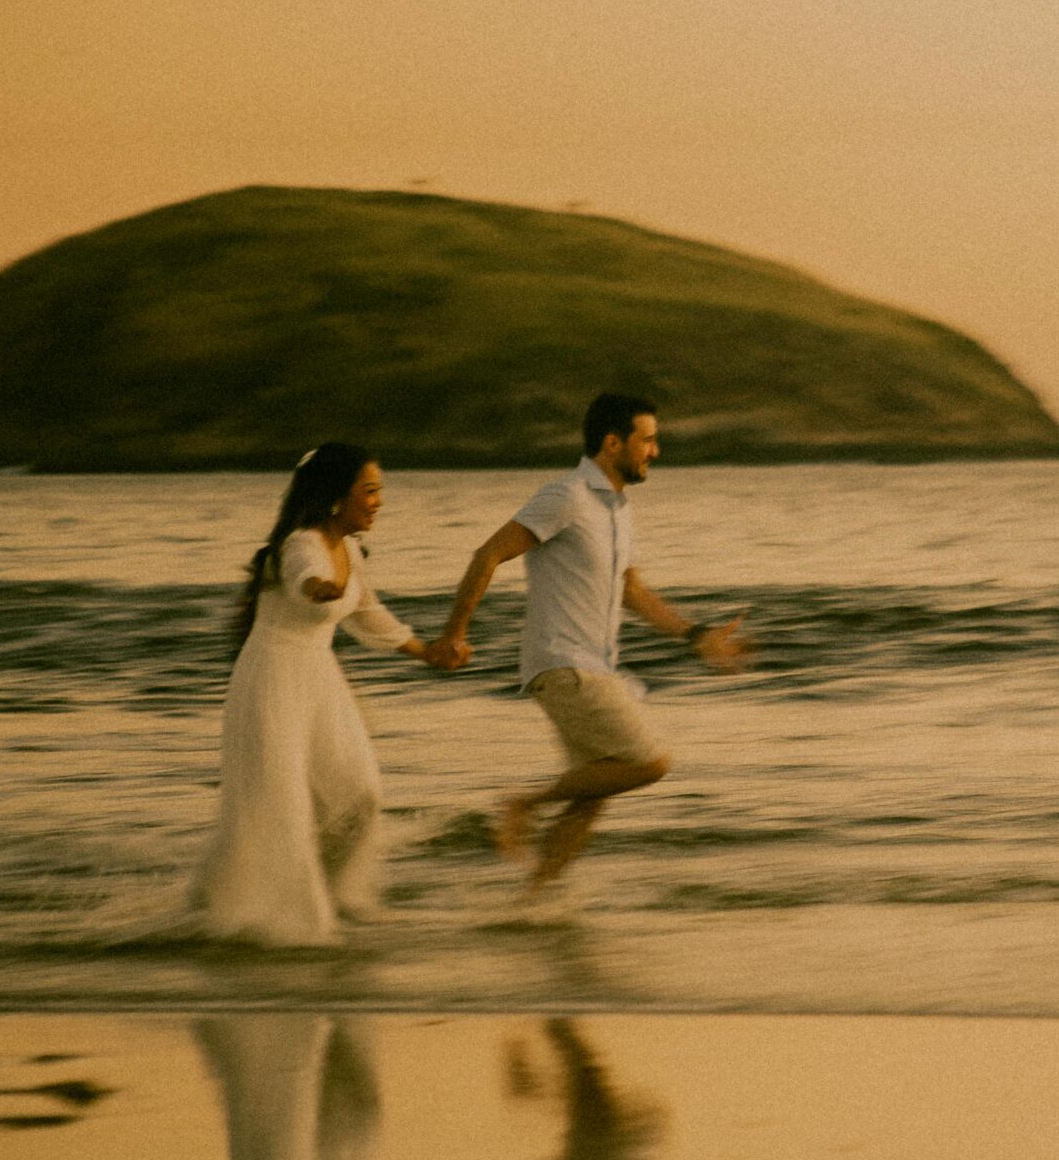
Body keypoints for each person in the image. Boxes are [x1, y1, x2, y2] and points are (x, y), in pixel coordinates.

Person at [435, 392, 746, 900]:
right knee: (649, 762)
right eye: (648, 440)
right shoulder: (568, 496)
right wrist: (454, 633)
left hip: (596, 668)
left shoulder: (617, 510)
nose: (656, 451)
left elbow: (632, 592)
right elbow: (489, 553)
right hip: (564, 664)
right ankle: (523, 805)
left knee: (595, 789)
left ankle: (533, 904)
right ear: (612, 441)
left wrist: (696, 636)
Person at [194, 443, 462, 945]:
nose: (379, 501)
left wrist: (426, 652)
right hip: (272, 681)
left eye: (380, 490)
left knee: (360, 796)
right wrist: (317, 588)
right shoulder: (303, 544)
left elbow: (367, 613)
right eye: (371, 490)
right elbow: (302, 579)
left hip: (319, 682)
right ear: (338, 497)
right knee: (281, 807)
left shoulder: (351, 550)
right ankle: (298, 927)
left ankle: (333, 896)